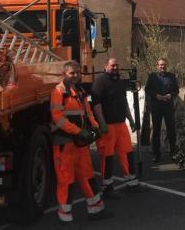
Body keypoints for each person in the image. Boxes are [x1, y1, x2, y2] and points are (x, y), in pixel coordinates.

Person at [49, 60, 112, 223]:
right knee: (66, 181)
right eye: (72, 73)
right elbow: (58, 118)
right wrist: (79, 131)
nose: (75, 75)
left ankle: (96, 210)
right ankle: (65, 219)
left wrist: (96, 127)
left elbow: (88, 112)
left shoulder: (81, 91)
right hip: (65, 143)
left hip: (80, 144)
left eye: (77, 72)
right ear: (64, 74)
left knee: (88, 177)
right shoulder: (58, 91)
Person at [91, 58, 140, 198]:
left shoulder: (119, 82)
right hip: (108, 126)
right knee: (107, 156)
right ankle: (107, 187)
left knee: (127, 153)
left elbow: (124, 103)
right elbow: (96, 104)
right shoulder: (100, 82)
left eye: (117, 65)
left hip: (121, 124)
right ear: (105, 66)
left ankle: (132, 183)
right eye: (112, 65)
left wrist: (130, 120)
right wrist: (102, 123)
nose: (115, 67)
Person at [145, 58, 179, 162]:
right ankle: (156, 154)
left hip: (168, 106)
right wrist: (156, 96)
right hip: (156, 106)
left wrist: (170, 95)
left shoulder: (171, 76)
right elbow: (147, 89)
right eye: (160, 65)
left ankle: (173, 153)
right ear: (157, 66)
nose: (162, 67)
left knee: (171, 130)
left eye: (164, 65)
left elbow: (176, 90)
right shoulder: (152, 76)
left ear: (166, 65)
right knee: (156, 131)